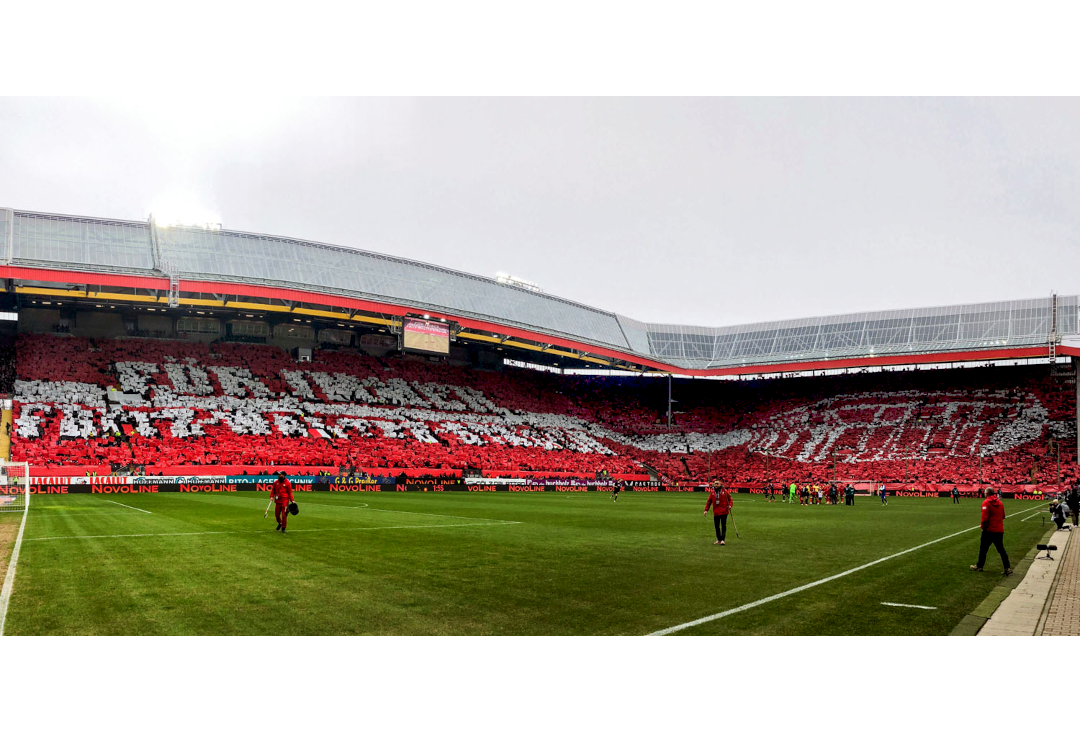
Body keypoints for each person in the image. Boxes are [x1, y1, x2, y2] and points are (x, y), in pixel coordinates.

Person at [971, 487, 1012, 575]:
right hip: (999, 530)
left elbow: (985, 518)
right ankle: (1007, 568)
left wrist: (983, 527)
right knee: (1001, 550)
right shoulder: (1000, 503)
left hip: (989, 530)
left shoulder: (986, 502)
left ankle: (979, 566)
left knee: (983, 549)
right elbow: (1003, 516)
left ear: (987, 493)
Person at [704, 481, 733, 545]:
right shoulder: (712, 492)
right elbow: (709, 501)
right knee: (716, 526)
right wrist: (706, 510)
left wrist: (730, 505)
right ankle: (718, 539)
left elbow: (730, 499)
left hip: (724, 511)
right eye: (715, 483)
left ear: (720, 484)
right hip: (716, 511)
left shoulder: (724, 491)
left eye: (717, 483)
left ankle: (722, 539)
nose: (716, 485)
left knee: (723, 525)